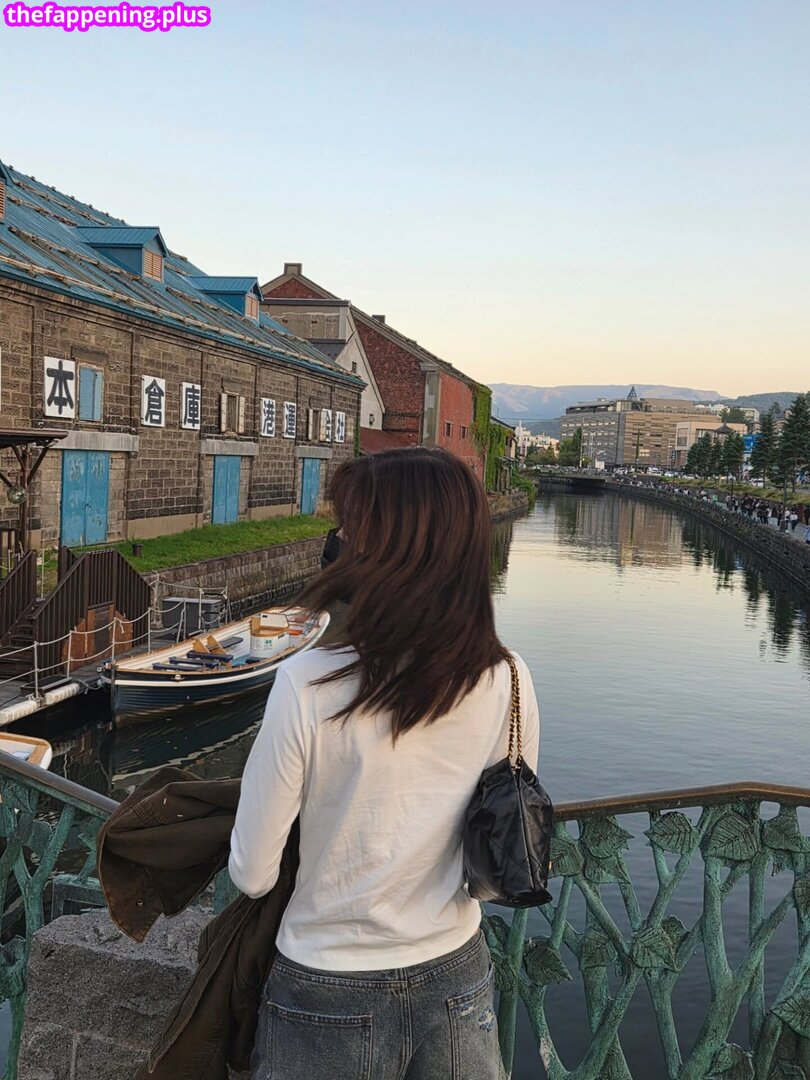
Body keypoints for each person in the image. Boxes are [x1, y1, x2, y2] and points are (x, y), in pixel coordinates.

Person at [229, 447, 539, 1080]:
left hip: (325, 984)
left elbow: (253, 874)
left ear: (387, 553)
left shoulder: (307, 683)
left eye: (350, 529)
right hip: (456, 975)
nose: (337, 543)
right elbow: (496, 850)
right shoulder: (508, 678)